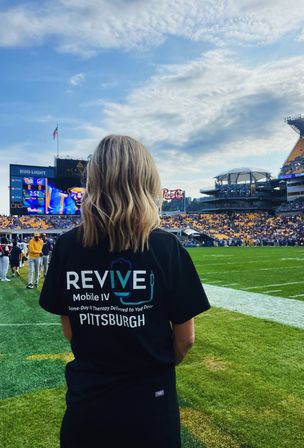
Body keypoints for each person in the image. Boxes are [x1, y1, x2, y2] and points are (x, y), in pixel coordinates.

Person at [39, 135, 210, 448]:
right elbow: (186, 339)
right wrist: (150, 363)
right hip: (150, 405)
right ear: (146, 180)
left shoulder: (66, 247)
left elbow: (69, 327)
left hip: (87, 404)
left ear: (94, 181)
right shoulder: (165, 247)